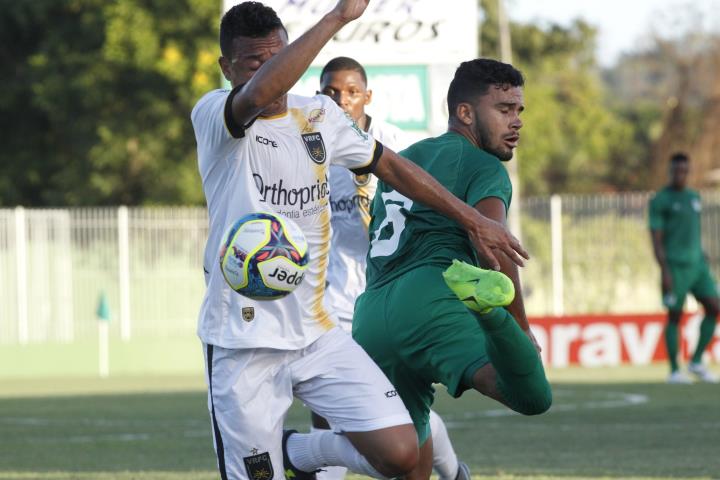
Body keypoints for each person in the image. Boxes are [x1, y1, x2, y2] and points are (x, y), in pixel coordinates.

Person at [191, 3, 528, 479]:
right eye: (254, 62)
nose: (271, 71)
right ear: (228, 68)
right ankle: (286, 455)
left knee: (402, 453)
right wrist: (338, 17)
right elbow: (261, 90)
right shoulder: (213, 114)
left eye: (278, 55)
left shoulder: (319, 115)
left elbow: (389, 165)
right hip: (243, 339)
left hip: (316, 330)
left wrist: (473, 220)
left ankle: (300, 452)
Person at [353, 58, 553, 480]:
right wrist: (517, 325)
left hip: (370, 315)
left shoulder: (406, 161)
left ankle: (303, 451)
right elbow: (492, 245)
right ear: (465, 113)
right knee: (532, 394)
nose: (516, 121)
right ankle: (305, 450)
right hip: (429, 303)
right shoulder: (483, 165)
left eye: (519, 110)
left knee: (409, 465)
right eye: (503, 109)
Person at [312, 56, 469, 480]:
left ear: (367, 96)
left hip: (387, 294)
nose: (341, 101)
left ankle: (452, 470)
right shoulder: (311, 151)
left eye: (350, 92)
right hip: (331, 300)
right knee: (329, 406)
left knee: (395, 409)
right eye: (330, 92)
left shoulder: (398, 147)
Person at [649, 152, 719, 384]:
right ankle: (674, 370)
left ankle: (697, 361)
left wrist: (700, 253)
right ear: (670, 171)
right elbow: (657, 239)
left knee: (714, 307)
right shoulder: (660, 200)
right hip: (675, 267)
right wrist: (664, 270)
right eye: (676, 170)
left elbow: (690, 231)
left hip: (697, 266)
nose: (681, 174)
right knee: (675, 316)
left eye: (684, 170)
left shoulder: (694, 197)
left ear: (688, 171)